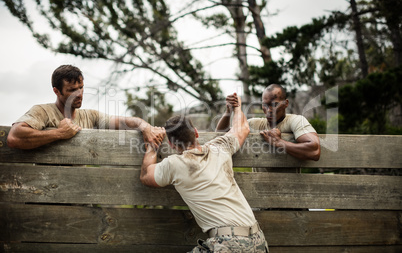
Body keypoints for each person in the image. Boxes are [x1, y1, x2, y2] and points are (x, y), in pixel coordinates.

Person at [140, 93, 269, 252]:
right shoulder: (220, 147)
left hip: (228, 245)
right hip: (259, 241)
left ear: (172, 145)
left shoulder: (175, 164)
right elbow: (243, 128)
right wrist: (237, 107)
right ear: (196, 132)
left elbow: (146, 175)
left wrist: (153, 144)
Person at [7, 64, 165, 150]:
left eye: (81, 88)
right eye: (72, 90)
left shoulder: (90, 116)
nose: (79, 94)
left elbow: (123, 121)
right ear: (56, 91)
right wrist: (59, 133)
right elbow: (14, 137)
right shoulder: (43, 111)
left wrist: (144, 126)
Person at [216, 84, 320, 165]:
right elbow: (221, 135)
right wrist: (228, 111)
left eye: (274, 105)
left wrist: (279, 142)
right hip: (257, 187)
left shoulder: (296, 121)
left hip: (289, 186)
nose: (269, 110)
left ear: (286, 103)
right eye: (265, 105)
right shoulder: (254, 124)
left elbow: (315, 151)